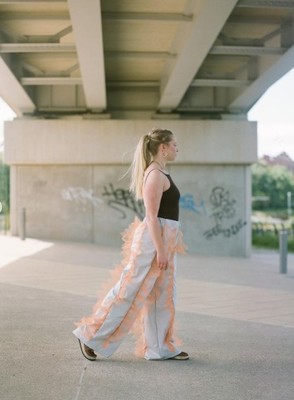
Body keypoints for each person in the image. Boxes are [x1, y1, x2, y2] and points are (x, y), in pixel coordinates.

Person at [73, 128, 189, 361]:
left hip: (164, 240)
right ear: (163, 148)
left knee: (161, 294)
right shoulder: (154, 175)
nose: (177, 148)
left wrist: (165, 248)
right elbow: (152, 216)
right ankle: (90, 335)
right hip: (153, 242)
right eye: (174, 144)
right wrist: (160, 250)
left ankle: (160, 347)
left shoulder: (161, 173)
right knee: (128, 290)